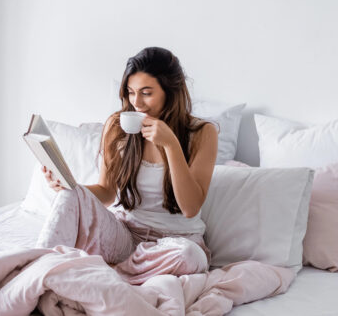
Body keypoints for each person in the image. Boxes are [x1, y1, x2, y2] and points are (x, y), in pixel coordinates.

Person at [36, 47, 219, 283]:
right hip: (126, 236)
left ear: (170, 92)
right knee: (69, 195)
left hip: (177, 241)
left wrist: (171, 145)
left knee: (189, 256)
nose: (136, 103)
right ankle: (36, 271)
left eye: (146, 93)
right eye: (131, 92)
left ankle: (111, 273)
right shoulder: (117, 125)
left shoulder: (203, 133)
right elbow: (106, 193)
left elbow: (190, 208)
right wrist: (67, 185)